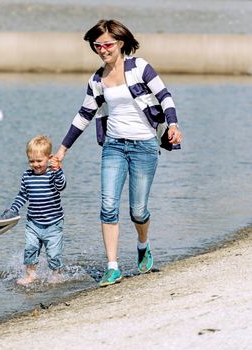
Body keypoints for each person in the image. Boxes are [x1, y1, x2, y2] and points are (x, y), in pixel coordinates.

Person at [54, 19, 182, 287]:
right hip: (114, 146)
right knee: (108, 206)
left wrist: (172, 123)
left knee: (138, 210)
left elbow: (165, 96)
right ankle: (112, 267)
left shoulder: (140, 67)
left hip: (144, 146)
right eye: (97, 46)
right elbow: (84, 115)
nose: (102, 49)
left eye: (107, 44)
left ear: (120, 43)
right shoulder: (97, 79)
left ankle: (143, 244)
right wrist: (63, 150)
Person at [0, 135, 66, 285]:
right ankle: (31, 275)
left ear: (49, 158)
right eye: (31, 161)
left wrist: (58, 170)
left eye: (39, 161)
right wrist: (13, 210)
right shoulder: (27, 176)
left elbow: (61, 186)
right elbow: (22, 195)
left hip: (53, 223)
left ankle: (56, 274)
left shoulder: (52, 174)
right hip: (33, 223)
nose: (36, 164)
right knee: (30, 249)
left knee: (53, 254)